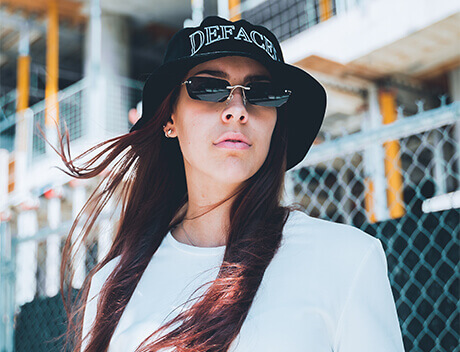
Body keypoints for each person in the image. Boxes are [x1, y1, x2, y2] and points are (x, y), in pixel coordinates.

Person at [58, 15, 405, 352]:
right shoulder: (113, 284)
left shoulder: (347, 258)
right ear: (169, 119)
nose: (237, 109)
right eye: (209, 88)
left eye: (262, 92)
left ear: (276, 122)